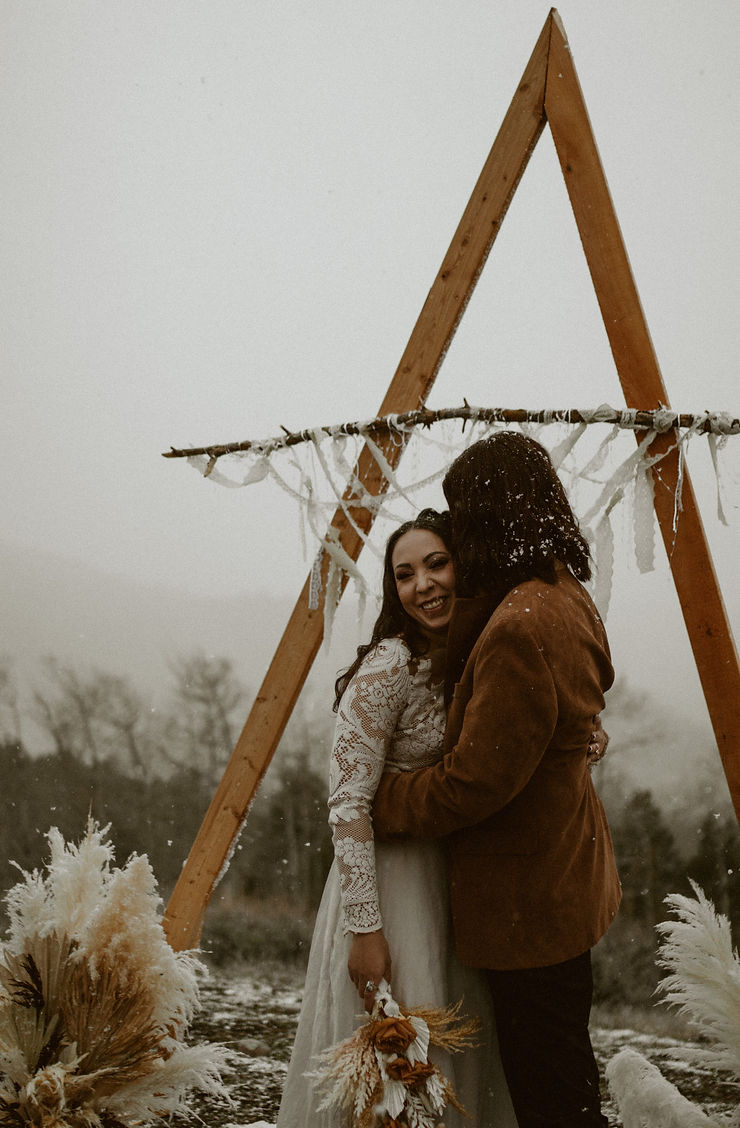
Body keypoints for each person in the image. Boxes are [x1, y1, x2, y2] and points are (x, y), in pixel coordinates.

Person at [371, 432, 621, 1128]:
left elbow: (469, 785)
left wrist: (380, 800)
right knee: (563, 1069)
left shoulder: (520, 624)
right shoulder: (561, 589)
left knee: (550, 1093)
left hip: (530, 898)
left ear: (493, 517)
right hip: (564, 876)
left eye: (462, 518)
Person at [276, 509, 517, 1128]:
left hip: (453, 880)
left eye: (436, 564)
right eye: (404, 574)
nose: (423, 585)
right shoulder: (389, 668)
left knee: (456, 1047)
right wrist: (366, 928)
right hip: (389, 883)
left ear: (463, 564)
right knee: (399, 1056)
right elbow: (347, 804)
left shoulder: (475, 654)